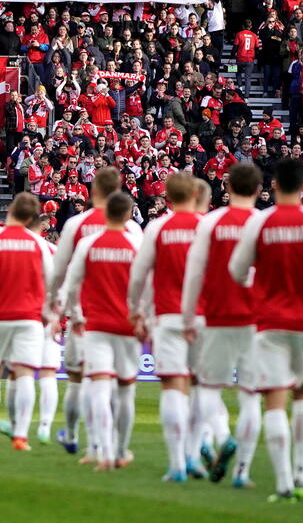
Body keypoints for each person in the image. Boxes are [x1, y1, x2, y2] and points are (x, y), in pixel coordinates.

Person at [229, 158, 303, 503]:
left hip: (269, 322)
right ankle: (302, 475)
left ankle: (284, 483)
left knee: (274, 399)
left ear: (273, 186)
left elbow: (237, 270)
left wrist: (260, 282)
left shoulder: (260, 224)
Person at [49, 167, 140, 457]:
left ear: (93, 190)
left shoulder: (78, 225)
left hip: (85, 316)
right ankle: (119, 447)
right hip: (126, 316)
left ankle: (81, 437)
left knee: (82, 379)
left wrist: (55, 309)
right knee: (122, 385)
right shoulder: (134, 231)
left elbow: (59, 272)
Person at [182, 162, 263, 489]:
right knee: (250, 396)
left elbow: (195, 273)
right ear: (259, 190)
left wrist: (188, 317)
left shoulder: (211, 223)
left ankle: (213, 441)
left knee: (207, 387)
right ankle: (242, 472)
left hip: (215, 318)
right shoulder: (263, 223)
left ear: (226, 188)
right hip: (256, 322)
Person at [126, 172, 205, 482]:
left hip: (168, 315)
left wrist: (138, 312)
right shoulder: (208, 227)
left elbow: (140, 275)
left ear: (168, 197)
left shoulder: (158, 227)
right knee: (199, 386)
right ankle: (195, 455)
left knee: (173, 387)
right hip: (203, 317)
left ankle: (177, 465)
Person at [0, 193, 54, 451]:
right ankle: (20, 435)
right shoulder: (38, 244)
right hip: (30, 318)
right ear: (32, 218)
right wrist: (51, 313)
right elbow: (52, 283)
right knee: (25, 373)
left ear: (12, 211)